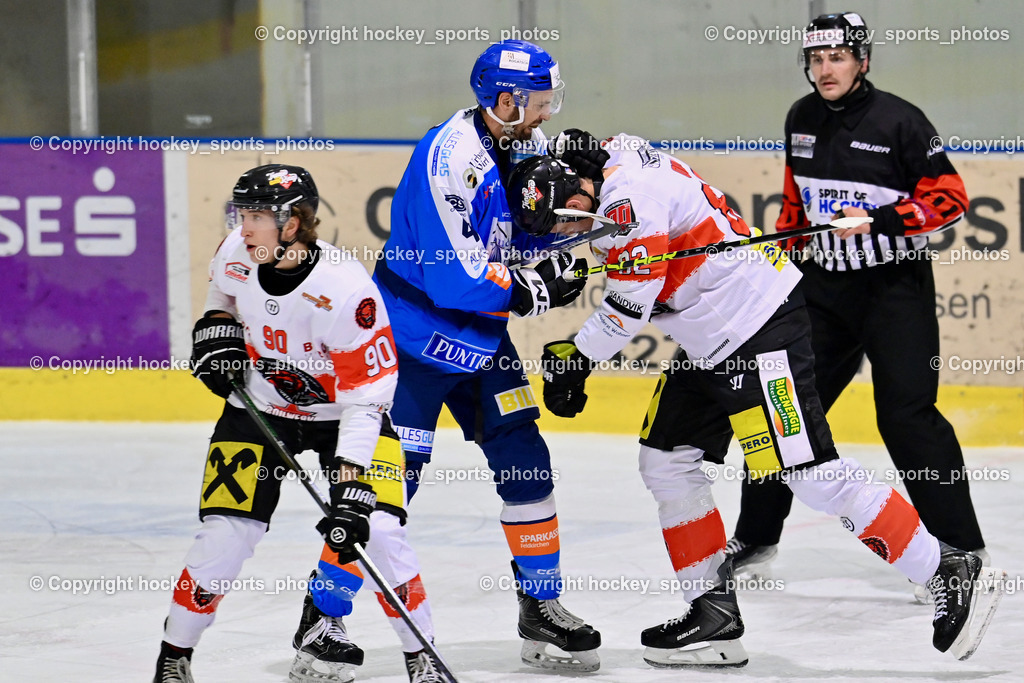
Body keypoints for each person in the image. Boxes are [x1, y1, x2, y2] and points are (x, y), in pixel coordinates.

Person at [507, 140, 1005, 667]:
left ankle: (944, 569)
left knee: (810, 473)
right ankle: (712, 614)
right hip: (708, 336)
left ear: (578, 197)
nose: (566, 236)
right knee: (667, 459)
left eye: (563, 225)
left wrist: (576, 358)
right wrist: (564, 144)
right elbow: (613, 145)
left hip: (757, 326)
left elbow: (630, 304)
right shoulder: (611, 165)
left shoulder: (629, 204)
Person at [726, 11, 987, 595]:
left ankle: (961, 549)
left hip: (895, 290)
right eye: (816, 60)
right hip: (824, 293)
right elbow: (795, 205)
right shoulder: (801, 117)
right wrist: (781, 268)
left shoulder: (902, 121)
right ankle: (756, 536)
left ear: (862, 61)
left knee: (906, 416)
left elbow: (951, 199)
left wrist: (880, 220)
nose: (825, 69)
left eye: (837, 57)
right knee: (779, 406)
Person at [368, 38, 601, 674]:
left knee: (526, 460)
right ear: (507, 99)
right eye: (543, 101)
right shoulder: (452, 159)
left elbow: (509, 235)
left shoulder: (512, 142)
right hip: (415, 339)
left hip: (482, 339)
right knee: (387, 491)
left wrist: (570, 220)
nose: (549, 112)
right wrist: (533, 291)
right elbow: (453, 276)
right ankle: (323, 619)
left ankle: (540, 607)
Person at [153, 164, 403, 683]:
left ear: (293, 224)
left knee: (376, 530)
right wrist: (216, 331)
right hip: (257, 410)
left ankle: (379, 641)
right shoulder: (236, 251)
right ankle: (174, 656)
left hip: (339, 418)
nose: (244, 227)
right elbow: (220, 300)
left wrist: (352, 476)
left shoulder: (343, 290)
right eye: (242, 213)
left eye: (258, 215)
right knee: (225, 535)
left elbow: (367, 398)